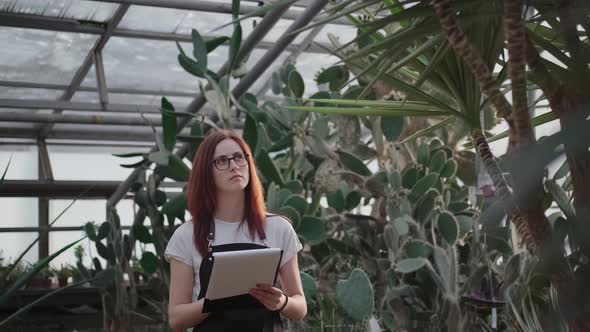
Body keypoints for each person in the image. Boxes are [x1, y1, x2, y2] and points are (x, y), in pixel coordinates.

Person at [165, 130, 307, 332]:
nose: (234, 166)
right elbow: (176, 319)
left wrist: (282, 302)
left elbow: (300, 306)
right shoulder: (186, 235)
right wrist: (216, 300)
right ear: (206, 173)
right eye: (222, 161)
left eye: (239, 157)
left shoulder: (279, 228)